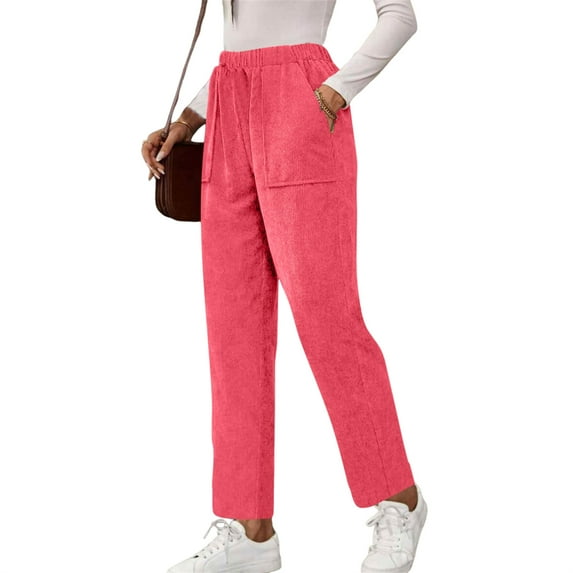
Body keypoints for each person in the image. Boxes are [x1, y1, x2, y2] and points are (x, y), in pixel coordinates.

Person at [141, 0, 427, 571]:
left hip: (302, 105)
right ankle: (251, 531)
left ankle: (400, 500)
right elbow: (244, 50)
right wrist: (189, 121)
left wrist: (336, 91)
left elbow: (400, 15)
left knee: (328, 321)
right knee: (233, 332)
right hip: (229, 106)